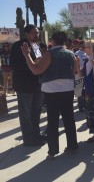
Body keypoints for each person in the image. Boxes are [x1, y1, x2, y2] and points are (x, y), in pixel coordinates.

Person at [21, 31, 78, 159]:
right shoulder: (71, 54)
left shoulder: (50, 53)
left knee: (53, 121)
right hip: (68, 89)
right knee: (69, 118)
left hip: (52, 91)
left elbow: (36, 70)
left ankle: (52, 151)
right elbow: (73, 71)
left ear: (53, 40)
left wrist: (26, 55)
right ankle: (72, 146)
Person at [10, 24, 45, 146]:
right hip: (24, 85)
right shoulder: (18, 46)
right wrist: (32, 63)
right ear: (26, 34)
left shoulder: (39, 46)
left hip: (38, 84)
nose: (36, 35)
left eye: (37, 33)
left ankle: (37, 135)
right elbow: (15, 65)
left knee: (36, 111)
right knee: (26, 113)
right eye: (34, 33)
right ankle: (29, 140)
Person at [75, 40, 87, 112]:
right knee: (79, 90)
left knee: (86, 90)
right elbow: (75, 63)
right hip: (79, 73)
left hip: (86, 72)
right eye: (84, 44)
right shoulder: (77, 53)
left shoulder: (87, 53)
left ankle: (86, 105)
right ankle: (80, 106)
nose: (85, 45)